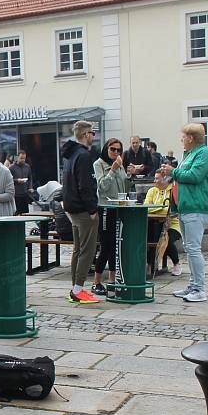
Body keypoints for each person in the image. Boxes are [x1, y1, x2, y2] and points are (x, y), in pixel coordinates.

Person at [160, 123, 208, 303]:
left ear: (191, 138)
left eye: (183, 137)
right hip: (186, 206)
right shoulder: (191, 154)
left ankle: (199, 289)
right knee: (189, 247)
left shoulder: (204, 153)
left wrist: (173, 171)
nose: (181, 140)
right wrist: (171, 174)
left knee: (193, 248)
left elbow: (194, 176)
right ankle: (193, 285)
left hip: (196, 206)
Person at [61, 121, 100, 304]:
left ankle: (75, 288)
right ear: (85, 134)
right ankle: (78, 290)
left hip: (72, 208)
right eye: (92, 132)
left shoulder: (70, 155)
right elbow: (85, 185)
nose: (93, 136)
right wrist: (92, 209)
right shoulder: (83, 155)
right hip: (84, 210)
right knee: (87, 250)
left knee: (78, 250)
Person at [91, 138, 127, 295]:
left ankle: (112, 279)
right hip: (106, 207)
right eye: (113, 149)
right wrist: (113, 169)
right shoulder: (98, 164)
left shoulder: (119, 163)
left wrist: (131, 175)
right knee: (106, 245)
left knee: (116, 246)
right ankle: (96, 281)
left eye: (119, 150)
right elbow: (102, 187)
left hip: (119, 207)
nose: (116, 152)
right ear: (106, 148)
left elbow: (125, 183)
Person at [144, 170, 182, 276]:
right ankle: (150, 265)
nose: (154, 181)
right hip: (154, 223)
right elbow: (146, 207)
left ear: (165, 180)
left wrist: (155, 207)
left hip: (172, 224)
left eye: (157, 178)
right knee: (150, 237)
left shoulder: (173, 192)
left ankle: (176, 263)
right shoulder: (152, 191)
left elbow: (171, 210)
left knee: (166, 239)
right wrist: (162, 208)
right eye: (155, 178)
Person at [10, 150, 33, 214]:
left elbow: (30, 178)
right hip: (16, 194)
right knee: (17, 212)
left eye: (24, 158)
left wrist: (30, 187)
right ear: (17, 157)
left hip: (25, 193)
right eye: (21, 158)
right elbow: (8, 181)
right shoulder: (12, 168)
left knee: (26, 213)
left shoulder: (27, 166)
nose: (23, 160)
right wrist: (17, 180)